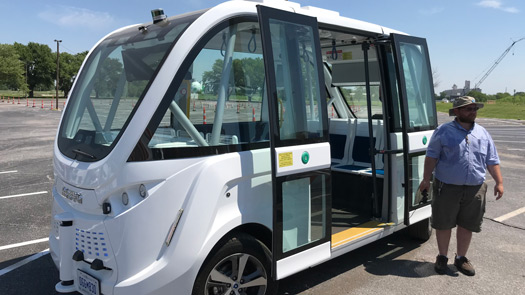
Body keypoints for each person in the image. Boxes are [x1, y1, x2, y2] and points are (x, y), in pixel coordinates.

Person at [419, 96, 503, 276]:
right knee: (444, 224)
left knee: (467, 224)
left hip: (475, 188)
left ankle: (461, 258)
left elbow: (492, 160)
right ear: (456, 111)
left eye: (474, 109)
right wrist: (426, 179)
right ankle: (442, 256)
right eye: (468, 109)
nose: (473, 112)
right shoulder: (443, 131)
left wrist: (499, 182)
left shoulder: (482, 133)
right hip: (447, 187)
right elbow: (431, 156)